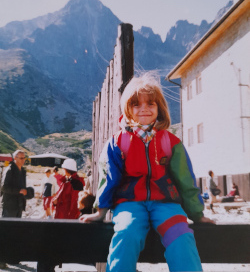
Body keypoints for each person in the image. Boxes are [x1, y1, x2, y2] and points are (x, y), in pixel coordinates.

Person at [80, 74, 214, 272]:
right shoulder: (118, 142)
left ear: (159, 108)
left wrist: (196, 213)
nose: (144, 108)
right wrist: (101, 211)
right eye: (136, 104)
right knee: (126, 233)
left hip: (166, 204)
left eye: (150, 103)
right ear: (127, 109)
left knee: (181, 235)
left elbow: (185, 180)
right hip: (130, 204)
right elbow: (109, 179)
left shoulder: (170, 142)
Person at [37, 159, 85, 272]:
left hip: (64, 221)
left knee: (53, 248)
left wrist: (69, 223)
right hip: (62, 218)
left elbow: (74, 205)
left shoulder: (74, 182)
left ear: (65, 169)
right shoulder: (71, 181)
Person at [0, 149, 34, 269]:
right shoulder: (9, 170)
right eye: (21, 158)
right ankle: (2, 260)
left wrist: (26, 191)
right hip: (9, 205)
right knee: (6, 232)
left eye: (24, 158)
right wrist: (19, 191)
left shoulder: (22, 171)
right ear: (15, 159)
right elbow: (3, 187)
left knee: (15, 233)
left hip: (19, 205)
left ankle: (12, 258)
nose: (23, 160)